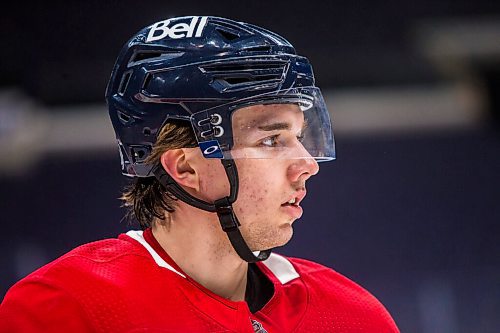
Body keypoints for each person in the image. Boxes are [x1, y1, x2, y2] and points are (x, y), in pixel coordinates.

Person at [0, 16, 399, 332]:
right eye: (271, 141)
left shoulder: (354, 317)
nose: (307, 165)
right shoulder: (64, 312)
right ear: (185, 166)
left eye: (298, 136)